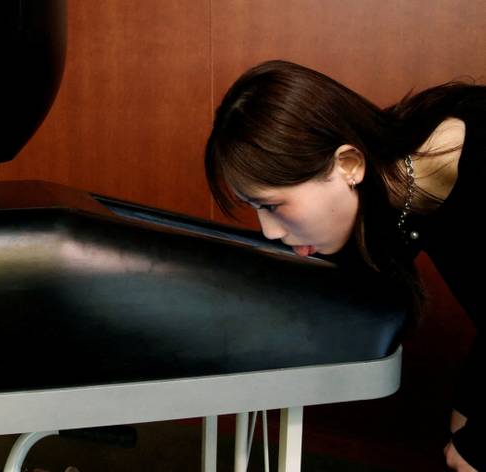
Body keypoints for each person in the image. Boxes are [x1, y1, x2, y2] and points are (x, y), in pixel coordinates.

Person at [204, 60, 485, 471]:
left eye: (273, 205)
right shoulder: (384, 186)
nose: (269, 231)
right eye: (255, 208)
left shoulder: (472, 156)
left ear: (348, 165)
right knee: (459, 433)